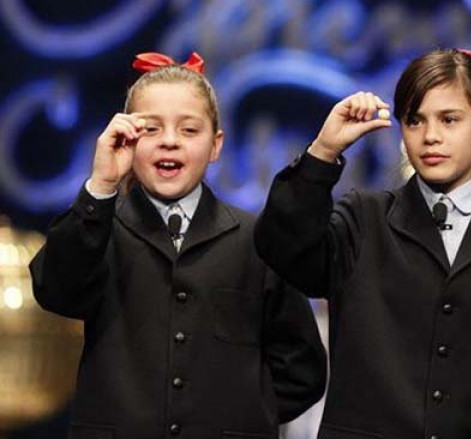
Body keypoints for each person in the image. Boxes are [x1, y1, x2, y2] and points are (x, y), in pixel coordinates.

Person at [255, 48, 471, 439]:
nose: (431, 136)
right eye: (415, 121)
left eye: (449, 119)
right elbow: (282, 248)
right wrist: (324, 151)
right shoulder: (363, 221)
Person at [29, 52, 327, 439]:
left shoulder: (258, 238)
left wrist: (244, 415)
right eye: (150, 129)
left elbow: (302, 369)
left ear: (216, 144)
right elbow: (55, 290)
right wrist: (100, 186)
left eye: (189, 130)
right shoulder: (97, 228)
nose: (170, 141)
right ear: (124, 139)